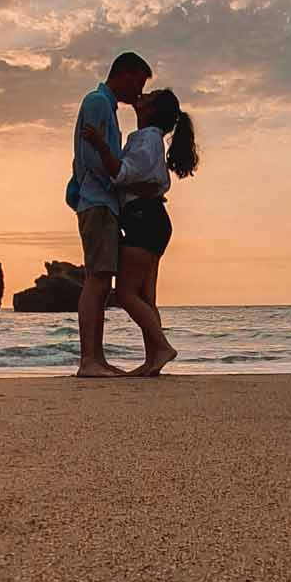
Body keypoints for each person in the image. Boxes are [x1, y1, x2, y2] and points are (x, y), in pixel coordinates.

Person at [83, 88, 199, 377]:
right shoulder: (151, 140)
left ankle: (160, 347)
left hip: (143, 219)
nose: (141, 95)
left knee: (125, 294)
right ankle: (153, 359)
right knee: (145, 295)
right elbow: (144, 179)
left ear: (151, 110)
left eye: (149, 95)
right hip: (151, 219)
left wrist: (100, 145)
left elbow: (121, 173)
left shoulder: (146, 138)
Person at [66, 53, 152, 378]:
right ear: (127, 75)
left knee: (102, 280)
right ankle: (89, 360)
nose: (140, 93)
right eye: (140, 84)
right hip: (98, 201)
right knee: (97, 279)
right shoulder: (97, 102)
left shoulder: (107, 107)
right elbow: (89, 158)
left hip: (102, 201)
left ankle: (96, 359)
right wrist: (116, 180)